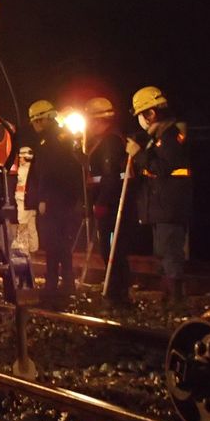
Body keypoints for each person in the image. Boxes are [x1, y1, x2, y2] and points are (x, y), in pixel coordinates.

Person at [126, 86, 192, 305]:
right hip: (160, 207)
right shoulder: (157, 138)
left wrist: (139, 154)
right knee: (162, 253)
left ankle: (176, 299)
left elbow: (162, 168)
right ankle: (168, 297)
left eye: (141, 114)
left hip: (169, 207)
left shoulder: (171, 137)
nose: (140, 120)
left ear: (151, 113)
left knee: (170, 254)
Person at [24, 100, 82, 302]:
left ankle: (53, 285)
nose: (34, 125)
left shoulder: (50, 142)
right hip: (65, 200)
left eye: (36, 121)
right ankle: (66, 283)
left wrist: (43, 199)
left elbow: (48, 172)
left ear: (43, 120)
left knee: (53, 243)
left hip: (54, 201)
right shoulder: (61, 137)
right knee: (61, 243)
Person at [84, 97, 131, 306]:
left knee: (112, 249)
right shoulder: (106, 139)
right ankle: (117, 290)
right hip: (110, 202)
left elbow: (110, 176)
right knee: (112, 248)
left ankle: (116, 293)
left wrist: (102, 202)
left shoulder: (110, 142)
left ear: (97, 120)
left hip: (111, 205)